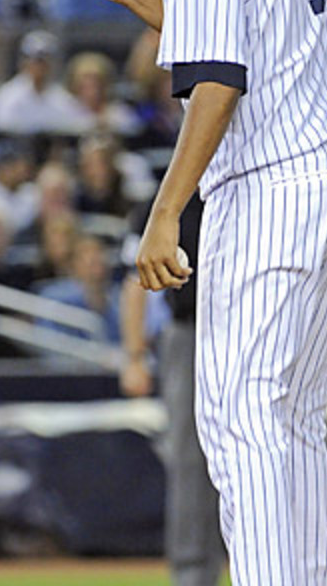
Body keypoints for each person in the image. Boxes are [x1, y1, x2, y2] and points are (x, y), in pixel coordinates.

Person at [76, 0, 327, 585]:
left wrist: (167, 212)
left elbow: (216, 79)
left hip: (273, 185)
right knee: (290, 419)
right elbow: (238, 38)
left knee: (243, 420)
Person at [119, 195, 224, 586]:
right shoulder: (168, 197)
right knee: (190, 460)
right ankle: (193, 575)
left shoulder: (254, 182)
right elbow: (134, 282)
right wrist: (134, 355)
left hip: (253, 326)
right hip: (190, 332)